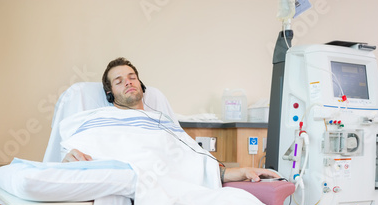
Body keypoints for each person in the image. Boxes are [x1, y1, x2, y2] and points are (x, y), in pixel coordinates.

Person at [62, 57, 278, 183]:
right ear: (109, 94)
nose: (128, 82)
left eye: (132, 77)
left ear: (141, 86)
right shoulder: (99, 119)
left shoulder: (161, 122)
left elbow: (192, 160)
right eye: (119, 81)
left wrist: (241, 172)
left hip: (170, 190)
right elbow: (74, 158)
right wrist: (68, 162)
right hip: (129, 191)